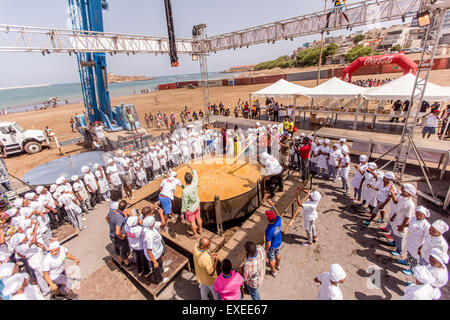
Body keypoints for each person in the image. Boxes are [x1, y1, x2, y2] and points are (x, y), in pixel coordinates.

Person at [397, 206, 431, 276]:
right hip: (411, 240)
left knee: (415, 258)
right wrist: (403, 226)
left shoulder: (426, 225)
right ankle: (407, 261)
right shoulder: (413, 218)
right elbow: (409, 224)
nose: (418, 216)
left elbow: (428, 238)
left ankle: (412, 270)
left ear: (424, 216)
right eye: (417, 214)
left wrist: (421, 247)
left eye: (420, 215)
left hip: (418, 243)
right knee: (409, 251)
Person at [387, 184, 416, 258]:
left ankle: (399, 251)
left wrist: (402, 226)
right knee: (395, 233)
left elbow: (407, 217)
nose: (402, 192)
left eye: (404, 191)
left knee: (400, 236)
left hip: (402, 222)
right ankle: (394, 242)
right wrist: (393, 217)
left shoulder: (410, 205)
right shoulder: (402, 198)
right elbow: (398, 209)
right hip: (397, 219)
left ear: (409, 194)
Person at [143, 215, 169, 284]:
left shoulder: (150, 228)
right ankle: (160, 280)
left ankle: (162, 270)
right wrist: (154, 262)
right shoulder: (149, 235)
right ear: (152, 224)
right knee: (156, 268)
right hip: (154, 255)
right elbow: (149, 250)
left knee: (160, 263)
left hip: (158, 251)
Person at [107, 200, 131, 267]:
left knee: (116, 248)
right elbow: (117, 232)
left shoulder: (111, 211)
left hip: (112, 235)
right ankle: (127, 264)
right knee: (124, 250)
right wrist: (121, 236)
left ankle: (121, 261)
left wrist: (112, 225)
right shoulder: (119, 217)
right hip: (118, 237)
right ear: (125, 208)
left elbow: (106, 218)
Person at [181, 165, 202, 239]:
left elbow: (184, 203)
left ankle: (195, 235)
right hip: (197, 205)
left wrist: (182, 213)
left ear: (185, 180)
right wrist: (192, 168)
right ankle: (200, 229)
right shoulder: (194, 183)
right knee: (198, 218)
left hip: (190, 209)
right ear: (191, 179)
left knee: (192, 222)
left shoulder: (185, 191)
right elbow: (195, 175)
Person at [264, 198, 282, 277]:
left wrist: (265, 250)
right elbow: (278, 214)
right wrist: (272, 205)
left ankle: (273, 271)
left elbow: (268, 244)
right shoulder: (278, 220)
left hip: (272, 247)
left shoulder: (269, 230)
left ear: (268, 219)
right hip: (278, 243)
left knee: (271, 259)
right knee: (277, 254)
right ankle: (278, 266)